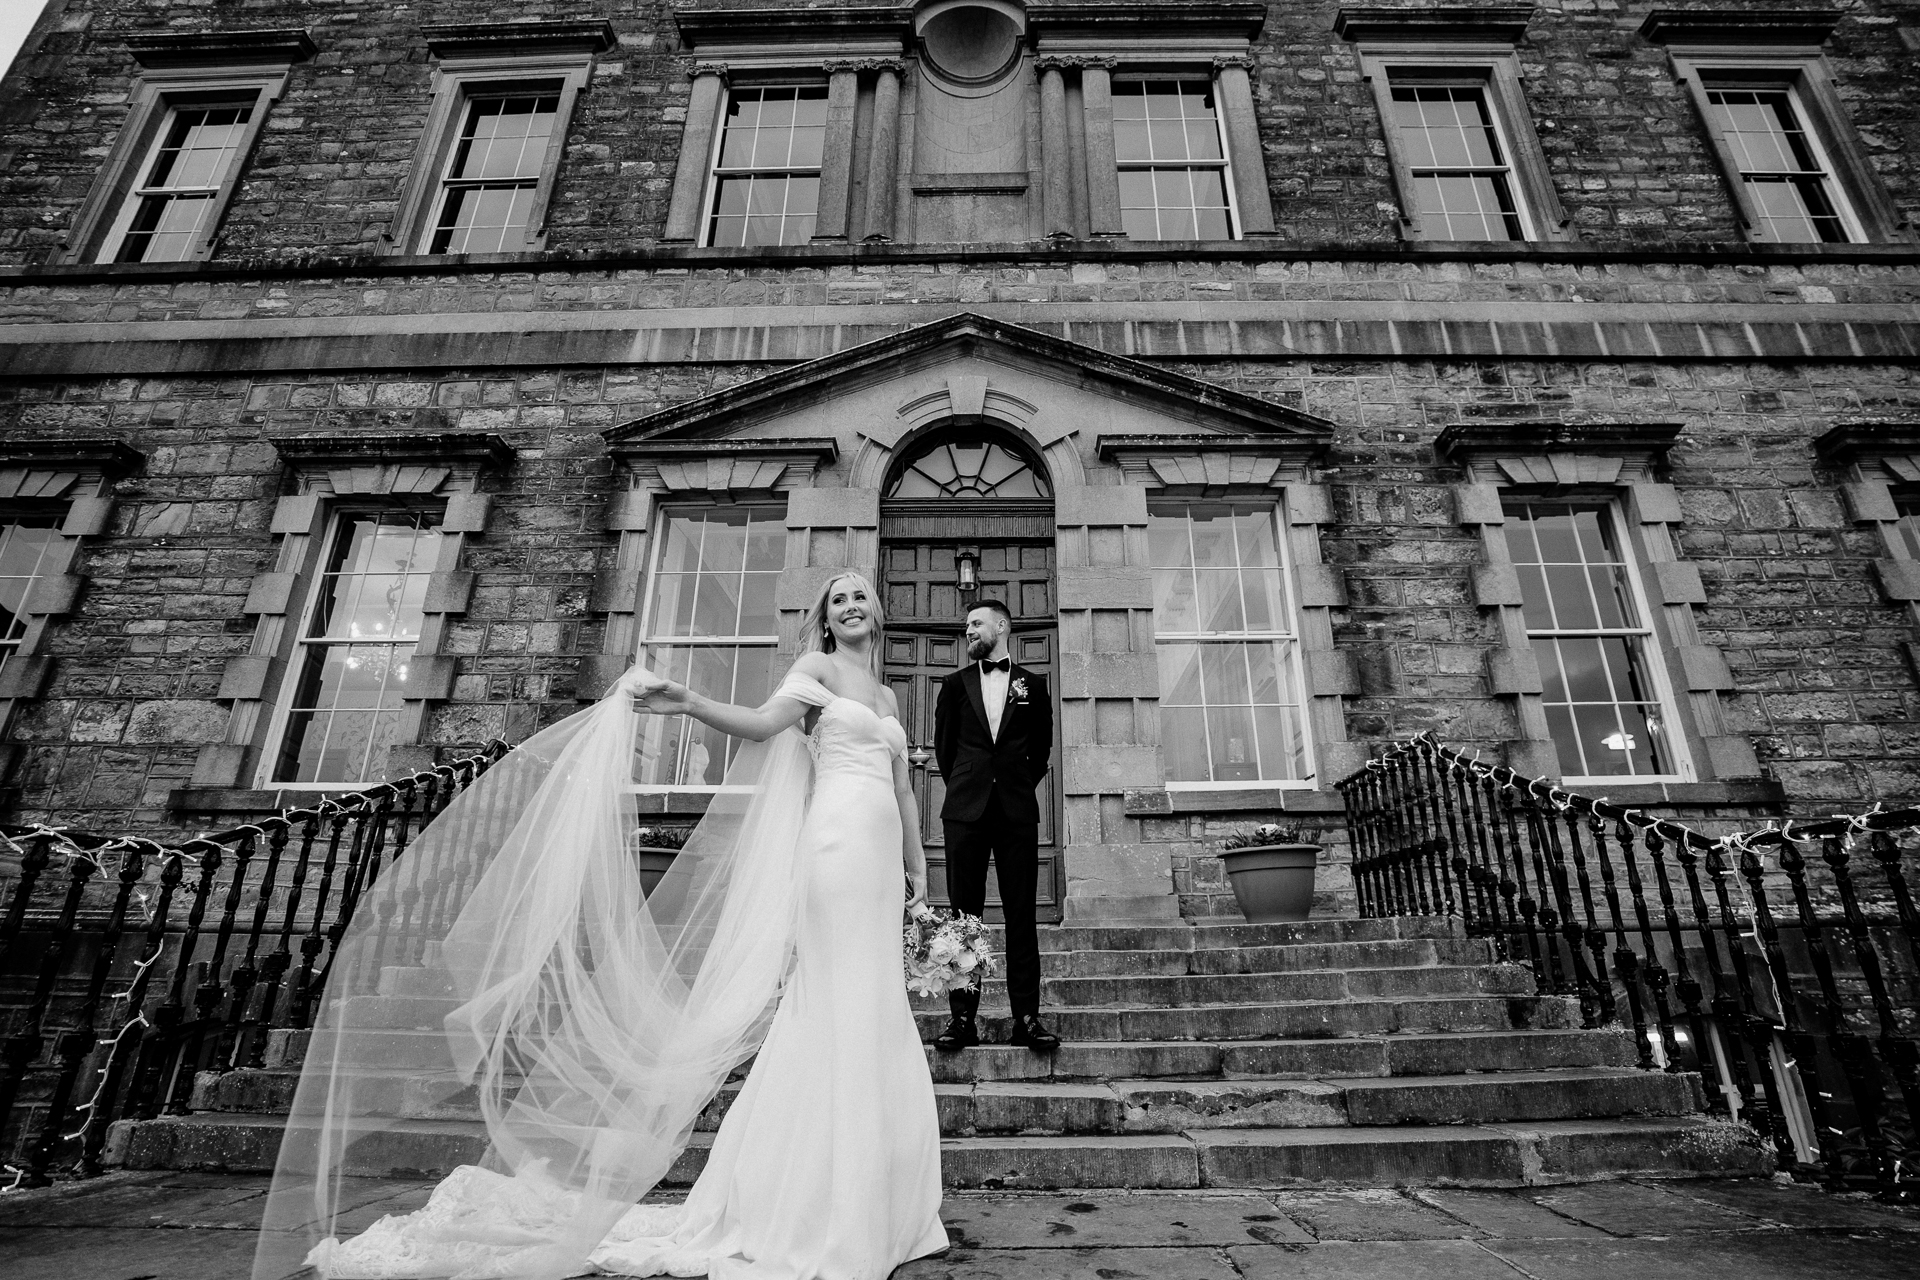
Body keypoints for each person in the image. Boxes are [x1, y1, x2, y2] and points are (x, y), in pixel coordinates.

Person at [258, 572, 947, 1280]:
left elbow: (901, 788)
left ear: (878, 609)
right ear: (826, 620)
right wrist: (684, 700)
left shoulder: (891, 697)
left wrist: (917, 869)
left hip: (877, 858)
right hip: (833, 848)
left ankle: (882, 1202)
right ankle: (811, 1203)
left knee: (875, 1003)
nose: (854, 604)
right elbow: (762, 724)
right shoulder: (816, 670)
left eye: (862, 594)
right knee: (831, 1002)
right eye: (840, 599)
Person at [931, 599, 1058, 1054]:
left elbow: (1040, 750)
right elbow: (946, 751)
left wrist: (1014, 784)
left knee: (1022, 914)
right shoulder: (952, 684)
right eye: (966, 624)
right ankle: (962, 1019)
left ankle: (1027, 1018)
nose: (968, 630)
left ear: (1001, 626)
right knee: (964, 917)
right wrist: (971, 786)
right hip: (964, 812)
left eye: (976, 623)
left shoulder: (1033, 685)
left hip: (1016, 811)